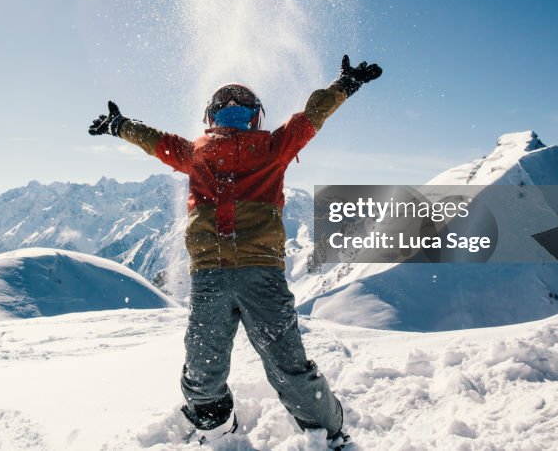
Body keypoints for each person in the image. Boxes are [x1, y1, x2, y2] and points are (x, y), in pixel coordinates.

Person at [88, 55, 382, 448]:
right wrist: (344, 85)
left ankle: (216, 430)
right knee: (288, 366)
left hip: (212, 277)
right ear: (255, 118)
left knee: (203, 368)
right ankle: (331, 436)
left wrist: (120, 125)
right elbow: (312, 116)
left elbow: (154, 141)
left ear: (210, 117)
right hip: (261, 277)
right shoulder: (274, 146)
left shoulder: (196, 153)